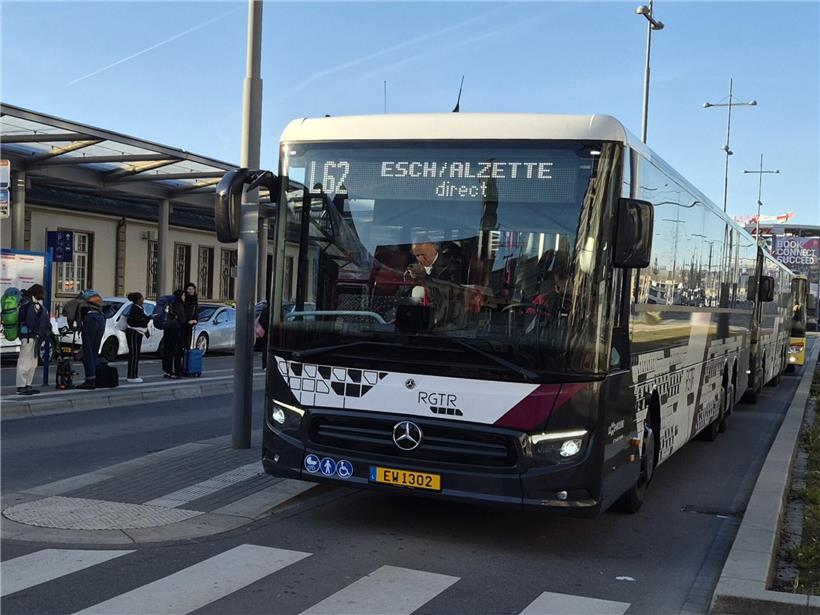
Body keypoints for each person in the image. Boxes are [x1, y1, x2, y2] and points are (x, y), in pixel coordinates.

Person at [15, 284, 50, 395]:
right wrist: (38, 331)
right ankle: (22, 386)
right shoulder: (31, 304)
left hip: (30, 336)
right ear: (37, 293)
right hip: (30, 336)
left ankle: (26, 385)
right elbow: (31, 321)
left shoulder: (28, 303)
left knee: (31, 361)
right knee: (26, 361)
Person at [77, 290, 105, 390]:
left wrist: (75, 328)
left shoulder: (81, 304)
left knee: (87, 352)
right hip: (101, 319)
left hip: (90, 319)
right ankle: (93, 377)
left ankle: (90, 380)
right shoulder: (98, 302)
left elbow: (74, 319)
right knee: (94, 351)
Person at [125, 292, 151, 383]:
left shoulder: (139, 308)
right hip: (134, 332)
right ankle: (132, 375)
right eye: (142, 298)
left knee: (135, 354)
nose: (143, 299)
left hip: (137, 332)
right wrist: (149, 318)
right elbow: (139, 321)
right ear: (138, 300)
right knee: (134, 354)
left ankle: (134, 374)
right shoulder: (135, 309)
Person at [161, 290, 185, 378]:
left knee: (167, 351)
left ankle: (167, 371)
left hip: (167, 328)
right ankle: (175, 371)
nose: (184, 297)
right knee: (175, 351)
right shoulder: (178, 304)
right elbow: (182, 319)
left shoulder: (169, 303)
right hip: (175, 329)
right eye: (183, 295)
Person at [181, 282, 199, 360]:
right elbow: (182, 313)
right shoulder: (184, 300)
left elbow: (196, 312)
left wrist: (195, 320)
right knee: (182, 344)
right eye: (189, 289)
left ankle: (187, 364)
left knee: (188, 344)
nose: (191, 291)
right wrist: (187, 321)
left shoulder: (195, 300)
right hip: (183, 325)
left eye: (192, 289)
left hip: (190, 325)